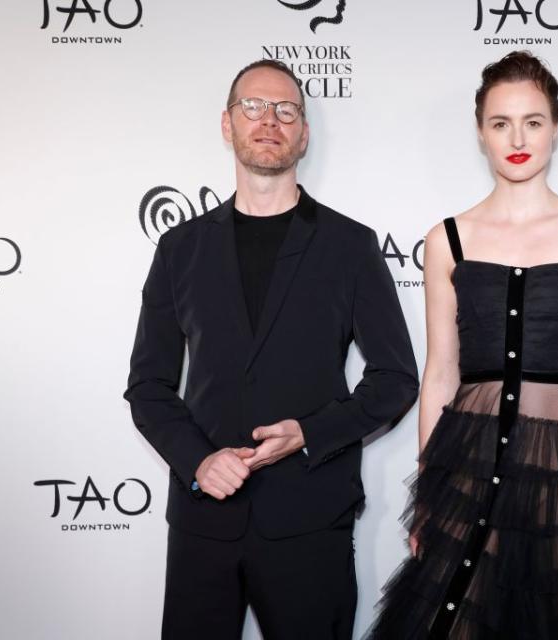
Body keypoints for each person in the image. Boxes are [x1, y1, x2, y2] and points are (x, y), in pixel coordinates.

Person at [366, 51, 558, 639]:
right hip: (468, 465)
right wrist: (429, 488)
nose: (517, 138)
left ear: (555, 127)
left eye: (533, 121)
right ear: (480, 133)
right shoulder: (446, 239)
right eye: (501, 123)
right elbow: (439, 375)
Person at [124, 59, 418, 639]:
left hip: (311, 518)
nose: (269, 121)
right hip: (203, 520)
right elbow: (148, 386)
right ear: (227, 125)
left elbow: (396, 378)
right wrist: (199, 461)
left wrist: (310, 433)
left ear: (303, 134)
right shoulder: (179, 248)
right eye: (253, 107)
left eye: (286, 111)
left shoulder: (351, 246)